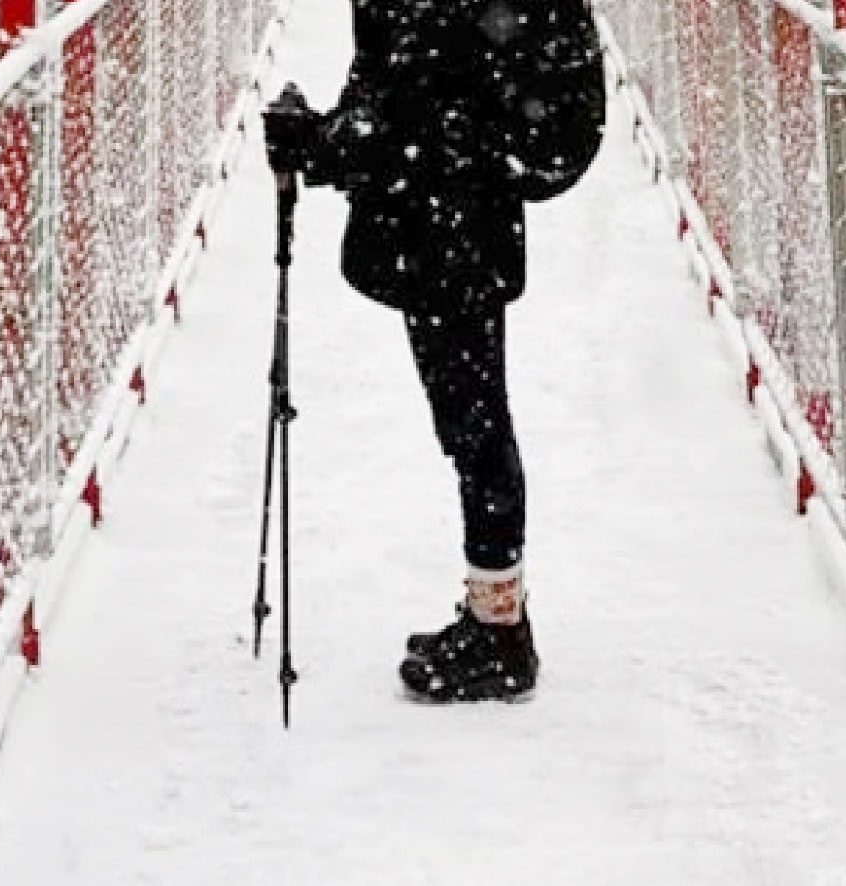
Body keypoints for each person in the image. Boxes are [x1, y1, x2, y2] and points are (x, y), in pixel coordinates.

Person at [260, 0, 606, 703]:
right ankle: (495, 614)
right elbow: (391, 89)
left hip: (457, 229)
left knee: (474, 423)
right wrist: (327, 136)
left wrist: (343, 144)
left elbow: (439, 112)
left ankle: (501, 631)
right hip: (439, 222)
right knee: (468, 420)